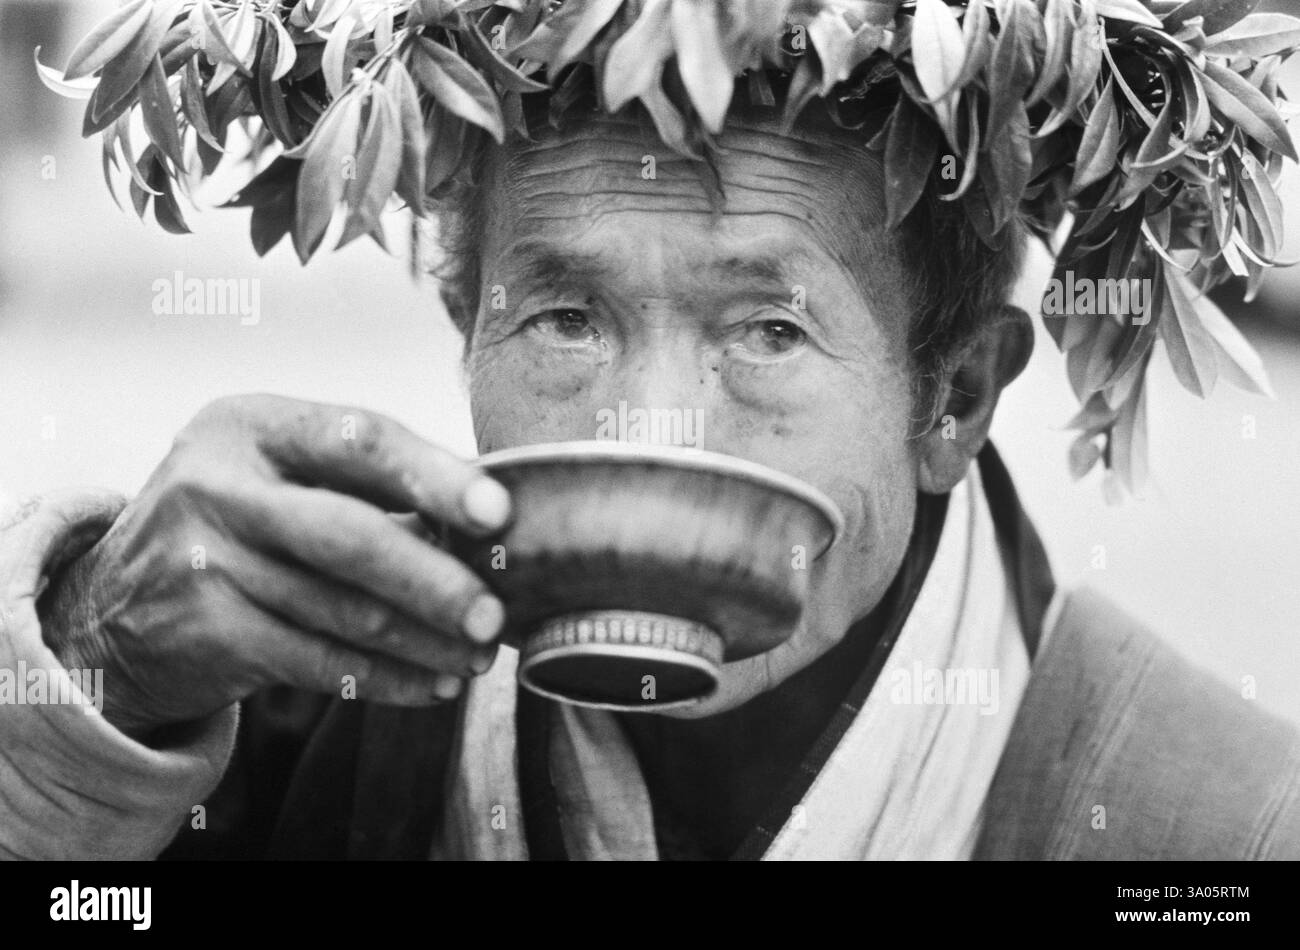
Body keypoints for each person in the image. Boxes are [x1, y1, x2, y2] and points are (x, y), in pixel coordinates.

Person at [6, 0, 1299, 860]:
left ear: (953, 397)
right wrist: (91, 661)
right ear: (465, 321)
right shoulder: (289, 713)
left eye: (766, 331)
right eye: (566, 317)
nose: (652, 426)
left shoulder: (1213, 828)